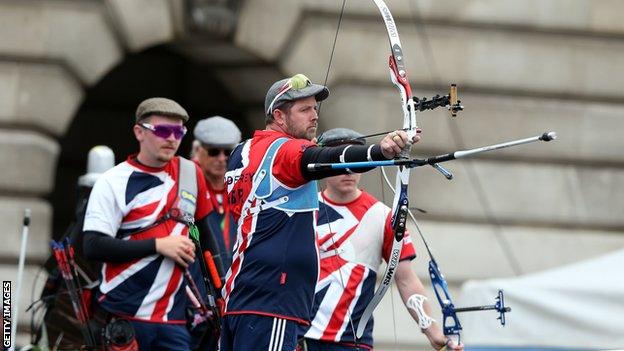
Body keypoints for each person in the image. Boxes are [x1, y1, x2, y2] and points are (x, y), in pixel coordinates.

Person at [220, 73, 420, 351]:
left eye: (315, 108)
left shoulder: (243, 152)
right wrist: (380, 151)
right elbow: (321, 159)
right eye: (304, 110)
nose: (314, 116)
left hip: (241, 298)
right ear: (278, 116)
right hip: (273, 301)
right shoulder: (284, 151)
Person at [301, 128, 464, 351]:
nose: (349, 169)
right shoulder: (303, 210)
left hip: (351, 341)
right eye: (341, 160)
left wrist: (434, 333)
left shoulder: (383, 216)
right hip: (299, 336)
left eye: (355, 160)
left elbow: (406, 278)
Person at [82, 97, 219, 350]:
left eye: (179, 132)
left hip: (174, 320)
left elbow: (206, 238)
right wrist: (158, 245)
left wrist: (221, 289)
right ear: (139, 132)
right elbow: (93, 245)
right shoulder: (113, 180)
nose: (172, 138)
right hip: (124, 316)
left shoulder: (191, 172)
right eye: (163, 131)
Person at [192, 116, 241, 271]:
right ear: (198, 151)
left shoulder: (242, 185)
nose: (221, 159)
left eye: (228, 152)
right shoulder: (186, 184)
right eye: (214, 152)